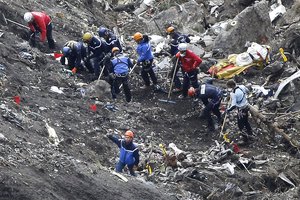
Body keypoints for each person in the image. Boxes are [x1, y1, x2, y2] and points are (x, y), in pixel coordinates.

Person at [226, 79, 253, 144]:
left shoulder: (233, 94)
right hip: (246, 106)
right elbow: (248, 92)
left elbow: (233, 106)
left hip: (241, 110)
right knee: (246, 122)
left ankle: (245, 140)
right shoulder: (242, 86)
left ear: (231, 85)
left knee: (240, 125)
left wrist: (228, 110)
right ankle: (250, 134)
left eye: (229, 87)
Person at [166, 26, 191, 92]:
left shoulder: (173, 42)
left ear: (170, 34)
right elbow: (188, 40)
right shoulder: (183, 36)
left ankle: (179, 87)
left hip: (179, 58)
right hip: (187, 56)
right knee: (185, 73)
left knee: (173, 73)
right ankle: (188, 86)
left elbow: (172, 52)